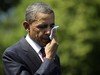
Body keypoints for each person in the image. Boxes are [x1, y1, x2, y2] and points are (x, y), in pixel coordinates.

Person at [2, 2, 61, 75]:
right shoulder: (12, 55)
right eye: (42, 26)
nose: (48, 32)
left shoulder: (53, 55)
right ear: (27, 26)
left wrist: (50, 57)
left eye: (52, 26)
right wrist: (48, 60)